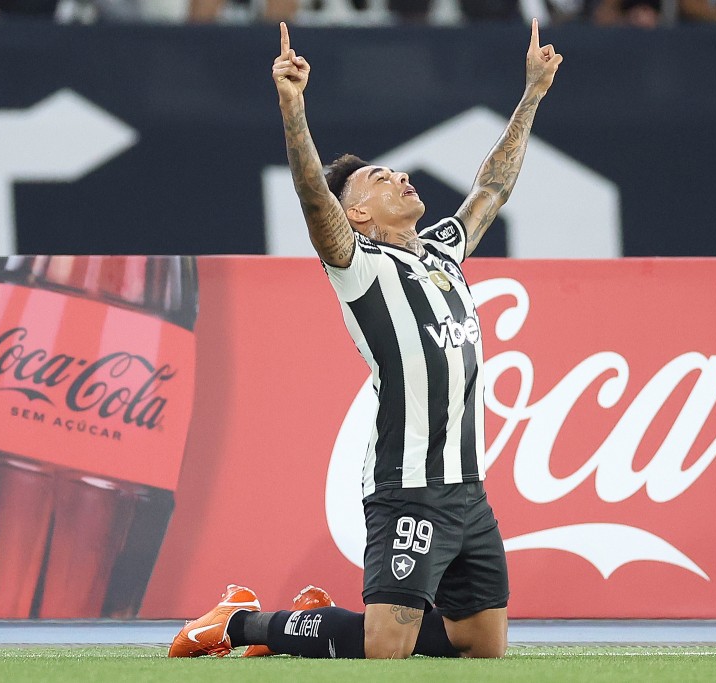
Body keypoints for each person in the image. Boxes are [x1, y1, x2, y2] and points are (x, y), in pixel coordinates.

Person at [169, 18, 561, 660]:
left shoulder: (443, 251)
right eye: (380, 179)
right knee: (384, 649)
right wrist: (293, 108)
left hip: (469, 488)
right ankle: (242, 623)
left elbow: (492, 186)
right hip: (408, 487)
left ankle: (318, 621)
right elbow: (311, 198)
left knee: (480, 646)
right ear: (356, 213)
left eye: (396, 173)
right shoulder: (361, 267)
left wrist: (532, 94)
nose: (400, 178)